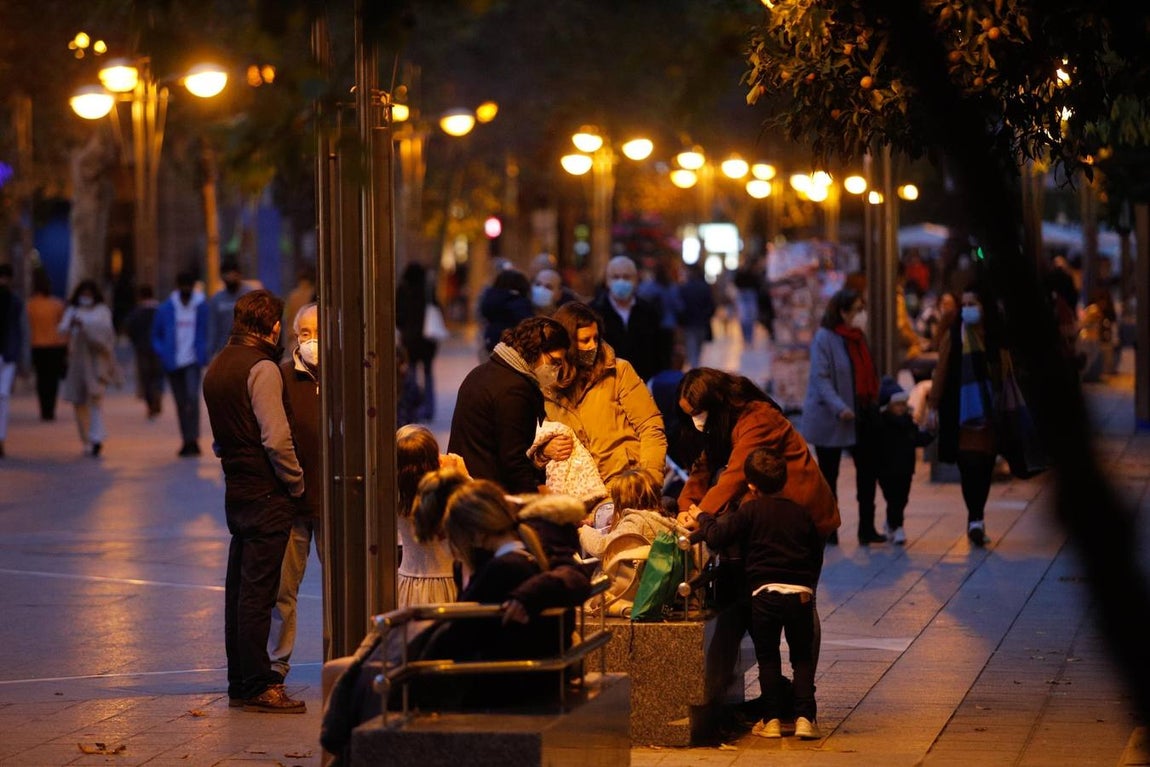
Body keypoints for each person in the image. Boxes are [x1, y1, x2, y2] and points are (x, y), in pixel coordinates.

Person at [675, 367, 839, 728]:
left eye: (697, 412)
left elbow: (735, 476)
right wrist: (685, 507)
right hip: (764, 524)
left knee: (798, 602)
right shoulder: (721, 425)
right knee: (756, 602)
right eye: (688, 414)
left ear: (716, 403)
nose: (694, 421)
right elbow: (703, 470)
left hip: (800, 522)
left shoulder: (757, 419)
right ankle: (776, 698)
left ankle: (800, 703)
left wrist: (700, 515)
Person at [202, 289, 307, 713]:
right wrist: (296, 483)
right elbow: (276, 438)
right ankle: (261, 682)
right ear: (274, 325)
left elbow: (220, 438)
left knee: (239, 588)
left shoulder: (218, 365)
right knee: (259, 593)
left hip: (237, 488)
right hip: (267, 491)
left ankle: (239, 680)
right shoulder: (261, 367)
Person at [685, 448, 825, 740]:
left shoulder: (750, 511)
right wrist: (807, 584)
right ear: (783, 479)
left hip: (764, 595)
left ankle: (772, 720)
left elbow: (717, 536)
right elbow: (816, 551)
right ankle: (804, 719)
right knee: (801, 657)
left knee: (769, 658)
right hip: (800, 595)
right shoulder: (801, 513)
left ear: (750, 484)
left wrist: (703, 516)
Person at [543, 302, 667, 492]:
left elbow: (650, 426)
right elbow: (532, 439)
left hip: (626, 487)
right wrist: (544, 451)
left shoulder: (618, 371)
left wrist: (648, 480)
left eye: (596, 338)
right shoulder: (548, 388)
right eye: (585, 341)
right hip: (580, 494)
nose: (593, 346)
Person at [799, 288, 887, 546]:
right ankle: (829, 530)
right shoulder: (824, 339)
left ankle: (867, 528)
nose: (862, 315)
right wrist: (840, 407)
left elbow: (869, 373)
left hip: (862, 413)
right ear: (842, 312)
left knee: (868, 472)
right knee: (829, 477)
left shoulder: (858, 338)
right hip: (832, 417)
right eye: (858, 309)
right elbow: (821, 378)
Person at [447, 315, 570, 495]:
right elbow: (513, 462)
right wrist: (539, 500)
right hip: (488, 497)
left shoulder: (483, 372)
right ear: (537, 350)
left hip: (464, 489)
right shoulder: (514, 391)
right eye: (555, 361)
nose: (556, 370)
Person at [268, 302, 323, 683]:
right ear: (294, 337)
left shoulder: (349, 377)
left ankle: (345, 657)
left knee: (341, 589)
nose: (312, 341)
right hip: (294, 502)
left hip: (335, 503)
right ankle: (276, 664)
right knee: (283, 591)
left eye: (318, 332)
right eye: (305, 333)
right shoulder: (283, 378)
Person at [927, 282, 1005, 547]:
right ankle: (975, 518)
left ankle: (977, 516)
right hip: (960, 411)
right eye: (966, 304)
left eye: (975, 304)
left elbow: (1006, 370)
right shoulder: (955, 334)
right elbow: (942, 368)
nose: (969, 309)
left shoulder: (994, 335)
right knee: (969, 465)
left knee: (985, 466)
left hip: (990, 412)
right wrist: (933, 405)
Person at [397, 425, 463, 609]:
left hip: (408, 581)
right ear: (434, 460)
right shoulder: (450, 492)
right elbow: (476, 514)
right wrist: (459, 474)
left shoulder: (396, 495)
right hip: (450, 582)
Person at [58, 279, 122, 457]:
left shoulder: (102, 311)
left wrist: (86, 327)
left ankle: (96, 437)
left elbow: (107, 332)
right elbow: (62, 329)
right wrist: (72, 325)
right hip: (78, 360)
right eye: (83, 294)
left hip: (96, 360)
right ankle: (86, 437)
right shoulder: (73, 311)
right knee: (79, 402)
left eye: (89, 294)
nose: (86, 297)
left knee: (95, 400)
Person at [152, 271, 210, 456]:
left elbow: (208, 329)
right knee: (181, 402)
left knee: (192, 399)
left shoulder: (201, 307)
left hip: (193, 361)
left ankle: (194, 439)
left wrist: (204, 352)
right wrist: (162, 352)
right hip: (173, 362)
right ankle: (186, 440)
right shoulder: (166, 308)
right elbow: (155, 335)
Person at [875, 377, 934, 545]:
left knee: (902, 498)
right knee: (893, 498)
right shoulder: (882, 425)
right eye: (897, 405)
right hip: (886, 470)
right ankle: (897, 526)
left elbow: (917, 439)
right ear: (888, 406)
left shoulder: (908, 423)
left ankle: (892, 524)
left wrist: (930, 434)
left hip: (905, 469)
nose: (901, 408)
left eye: (903, 404)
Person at [590, 255, 667, 381]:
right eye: (616, 277)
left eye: (626, 277)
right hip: (605, 384)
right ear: (607, 281)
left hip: (642, 384)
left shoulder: (649, 311)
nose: (621, 281)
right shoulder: (593, 312)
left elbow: (659, 351)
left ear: (636, 280)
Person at [396, 261, 440, 421]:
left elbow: (398, 315)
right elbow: (436, 308)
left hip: (410, 339)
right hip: (427, 340)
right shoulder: (427, 289)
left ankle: (413, 406)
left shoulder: (402, 290)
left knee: (411, 373)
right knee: (428, 374)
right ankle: (429, 408)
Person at [25, 268, 68, 423]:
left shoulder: (30, 305)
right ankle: (50, 409)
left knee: (41, 379)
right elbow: (63, 327)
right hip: (55, 346)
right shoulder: (56, 304)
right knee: (53, 380)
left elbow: (27, 327)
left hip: (37, 345)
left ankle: (44, 409)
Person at [122, 284, 165, 419]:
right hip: (159, 349)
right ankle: (158, 393)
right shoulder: (160, 310)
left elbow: (128, 329)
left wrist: (136, 341)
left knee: (146, 378)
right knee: (158, 375)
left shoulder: (136, 313)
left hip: (142, 349)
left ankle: (150, 404)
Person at [0, 264, 30, 457]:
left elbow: (21, 331)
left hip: (8, 354)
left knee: (3, 397)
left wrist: (23, 361)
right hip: (8, 352)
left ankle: (0, 438)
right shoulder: (15, 301)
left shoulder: (15, 301)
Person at [207, 257, 257, 355]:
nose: (230, 277)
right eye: (227, 274)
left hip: (247, 350)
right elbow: (212, 329)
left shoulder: (250, 296)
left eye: (233, 274)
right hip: (224, 351)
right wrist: (210, 354)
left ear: (239, 274)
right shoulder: (217, 300)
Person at [478, 267, 533, 355]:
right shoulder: (518, 302)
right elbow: (528, 321)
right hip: (513, 347)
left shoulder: (490, 298)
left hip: (491, 342)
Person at [677, 263, 716, 369]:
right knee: (698, 348)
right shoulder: (705, 287)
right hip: (701, 322)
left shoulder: (684, 288)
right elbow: (711, 305)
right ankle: (695, 369)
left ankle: (694, 369)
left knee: (692, 348)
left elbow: (680, 306)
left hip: (689, 322)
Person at [733, 255, 766, 346]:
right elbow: (736, 282)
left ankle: (749, 338)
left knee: (750, 317)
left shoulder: (753, 271)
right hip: (743, 294)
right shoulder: (741, 271)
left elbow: (757, 283)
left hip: (751, 294)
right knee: (744, 318)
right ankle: (746, 338)